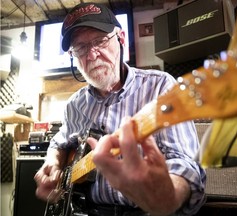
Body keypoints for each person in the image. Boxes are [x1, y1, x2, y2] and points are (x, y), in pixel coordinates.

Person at [34, 2, 206, 216]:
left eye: (100, 41)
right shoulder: (74, 105)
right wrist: (53, 163)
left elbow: (185, 162)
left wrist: (169, 194)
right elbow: (59, 142)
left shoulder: (161, 87)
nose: (92, 54)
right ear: (73, 56)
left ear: (121, 38)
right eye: (80, 48)